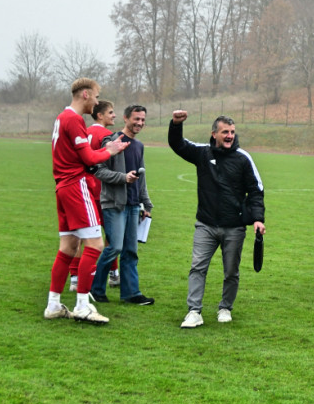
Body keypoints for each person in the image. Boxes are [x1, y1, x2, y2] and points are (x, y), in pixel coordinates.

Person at [169, 111, 266, 328]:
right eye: (225, 132)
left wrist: (258, 219)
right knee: (197, 267)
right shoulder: (202, 154)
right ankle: (194, 311)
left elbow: (256, 190)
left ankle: (225, 308)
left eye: (232, 132)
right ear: (214, 134)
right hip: (205, 224)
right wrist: (176, 124)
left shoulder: (243, 158)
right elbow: (178, 145)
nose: (230, 135)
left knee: (231, 271)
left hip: (234, 227)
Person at [46, 78, 126, 325]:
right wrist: (110, 151)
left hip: (62, 187)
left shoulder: (62, 118)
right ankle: (82, 305)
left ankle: (54, 304)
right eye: (96, 96)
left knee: (68, 247)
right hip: (75, 186)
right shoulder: (74, 120)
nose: (97, 101)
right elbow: (90, 158)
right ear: (85, 94)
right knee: (95, 244)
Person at [90, 105, 155, 305]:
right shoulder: (111, 141)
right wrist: (122, 178)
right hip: (114, 204)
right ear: (126, 118)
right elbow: (97, 170)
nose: (140, 123)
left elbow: (141, 177)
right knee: (114, 248)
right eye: (136, 119)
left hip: (134, 205)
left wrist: (146, 204)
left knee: (130, 251)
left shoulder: (139, 146)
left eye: (143, 120)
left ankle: (131, 294)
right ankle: (94, 288)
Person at [69, 100, 118, 292]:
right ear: (100, 115)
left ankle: (74, 277)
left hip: (83, 190)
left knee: (81, 236)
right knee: (112, 235)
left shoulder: (84, 132)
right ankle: (112, 273)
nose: (113, 115)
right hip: (102, 191)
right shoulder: (107, 135)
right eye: (111, 112)